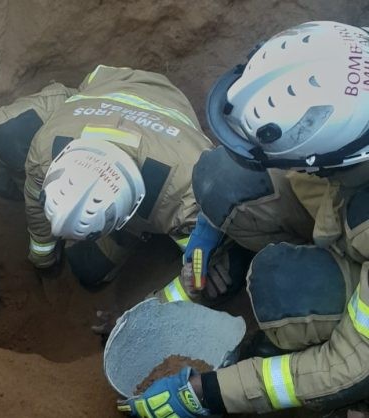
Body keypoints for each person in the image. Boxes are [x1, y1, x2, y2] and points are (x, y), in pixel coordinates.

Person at [121, 21, 369, 417]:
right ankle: (241, 253)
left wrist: (208, 393)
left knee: (283, 287)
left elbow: (350, 364)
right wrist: (209, 228)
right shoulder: (351, 75)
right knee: (222, 178)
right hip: (341, 207)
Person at [0, 65, 215, 289]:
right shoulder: (48, 146)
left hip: (168, 114)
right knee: (5, 132)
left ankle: (127, 239)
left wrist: (143, 313)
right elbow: (37, 200)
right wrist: (42, 256)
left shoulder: (187, 191)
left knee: (89, 268)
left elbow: (206, 265)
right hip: (104, 91)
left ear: (126, 216)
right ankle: (19, 177)